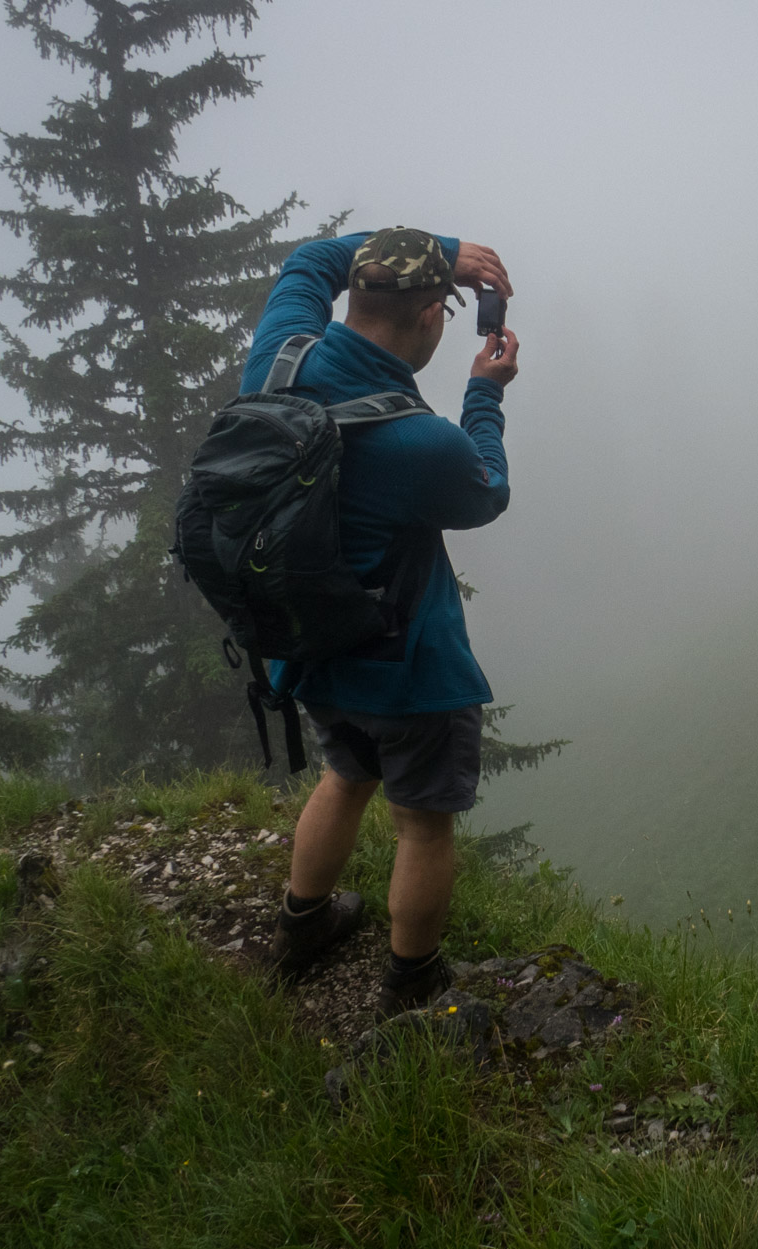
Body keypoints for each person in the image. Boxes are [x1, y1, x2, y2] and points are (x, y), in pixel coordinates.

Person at [240, 226, 520, 1018]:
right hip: (407, 671)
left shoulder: (280, 352)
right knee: (423, 826)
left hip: (313, 652)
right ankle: (413, 983)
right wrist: (485, 395)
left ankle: (304, 925)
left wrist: (442, 244)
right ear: (435, 316)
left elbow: (309, 261)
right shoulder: (416, 441)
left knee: (346, 771)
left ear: (355, 296)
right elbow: (486, 491)